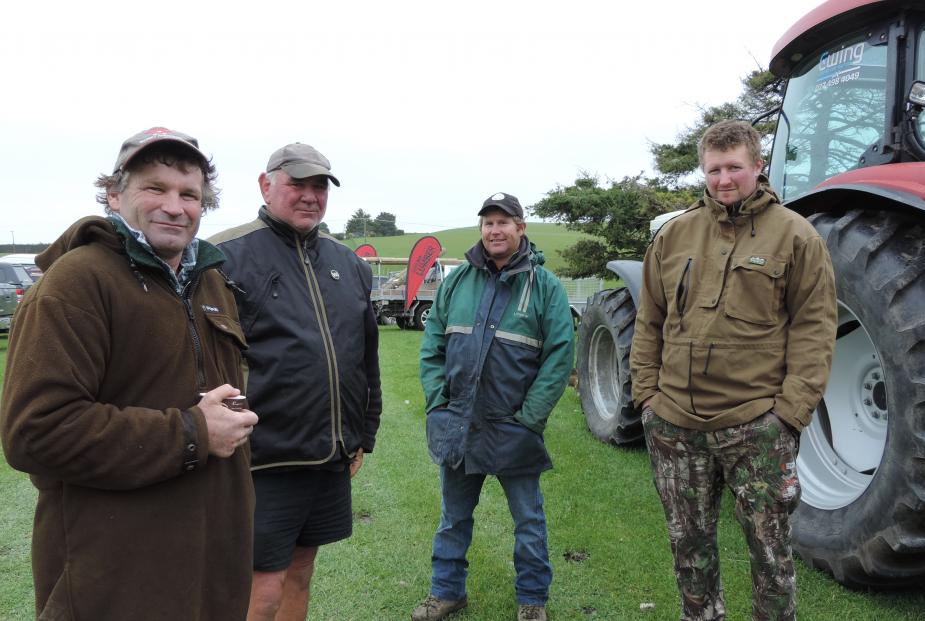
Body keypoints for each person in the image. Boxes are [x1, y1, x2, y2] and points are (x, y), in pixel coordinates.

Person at [0, 127, 258, 620]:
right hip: (114, 578)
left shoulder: (211, 281)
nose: (175, 206)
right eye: (154, 188)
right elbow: (36, 433)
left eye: (190, 194)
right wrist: (194, 431)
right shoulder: (74, 284)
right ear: (114, 194)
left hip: (210, 568)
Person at [631, 120, 837, 621]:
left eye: (735, 167)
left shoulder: (796, 236)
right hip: (675, 424)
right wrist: (647, 398)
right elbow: (649, 320)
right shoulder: (675, 235)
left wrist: (789, 414)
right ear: (704, 170)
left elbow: (815, 329)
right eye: (714, 169)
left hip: (756, 427)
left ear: (757, 166)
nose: (724, 179)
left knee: (771, 557)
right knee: (689, 551)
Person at [209, 143, 382, 621]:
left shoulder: (349, 264)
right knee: (260, 589)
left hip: (328, 455)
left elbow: (365, 355)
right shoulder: (224, 256)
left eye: (319, 186)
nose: (310, 196)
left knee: (302, 571)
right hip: (263, 459)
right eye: (297, 184)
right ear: (266, 186)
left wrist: (364, 433)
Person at [413, 193, 575, 621]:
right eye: (488, 223)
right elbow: (432, 347)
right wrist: (437, 404)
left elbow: (559, 357)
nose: (495, 230)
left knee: (528, 521)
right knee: (453, 518)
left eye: (504, 222)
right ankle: (446, 593)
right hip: (458, 425)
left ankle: (532, 600)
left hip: (514, 428)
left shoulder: (545, 286)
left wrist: (529, 420)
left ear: (521, 228)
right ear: (480, 229)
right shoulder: (457, 281)